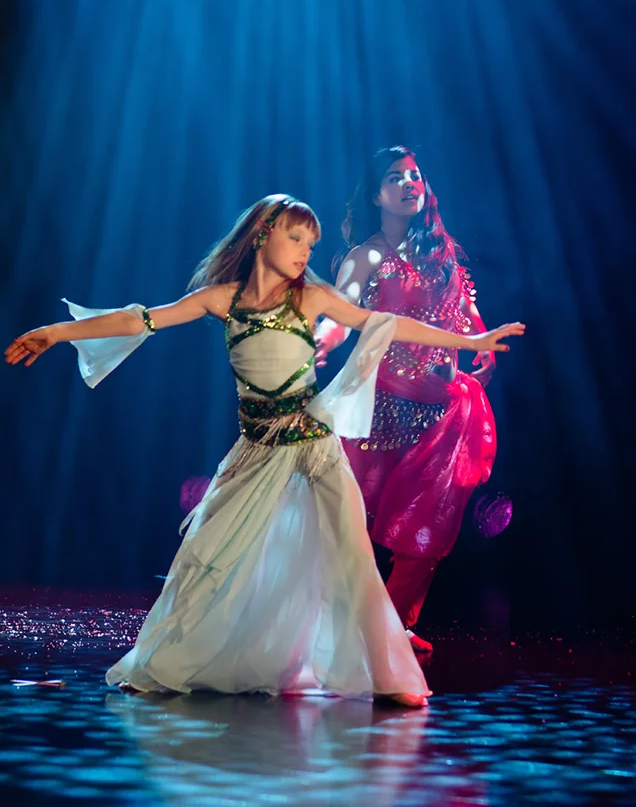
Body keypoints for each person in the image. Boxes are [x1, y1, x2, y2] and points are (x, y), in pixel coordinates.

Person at [5, 194, 524, 706]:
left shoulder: (310, 298)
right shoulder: (221, 298)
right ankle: (170, 663)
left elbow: (385, 324)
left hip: (315, 448)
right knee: (210, 557)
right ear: (262, 235)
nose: (304, 252)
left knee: (352, 556)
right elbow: (140, 320)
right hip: (255, 450)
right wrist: (55, 332)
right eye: (295, 238)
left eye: (310, 244)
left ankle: (389, 676)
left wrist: (472, 343)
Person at [316, 148, 505, 652]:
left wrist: (483, 342)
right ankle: (336, 625)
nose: (408, 184)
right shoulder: (367, 256)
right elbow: (341, 312)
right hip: (381, 408)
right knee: (354, 522)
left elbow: (463, 306)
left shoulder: (441, 254)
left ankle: (392, 626)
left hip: (443, 411)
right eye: (395, 178)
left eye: (415, 176)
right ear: (376, 195)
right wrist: (323, 340)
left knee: (429, 523)